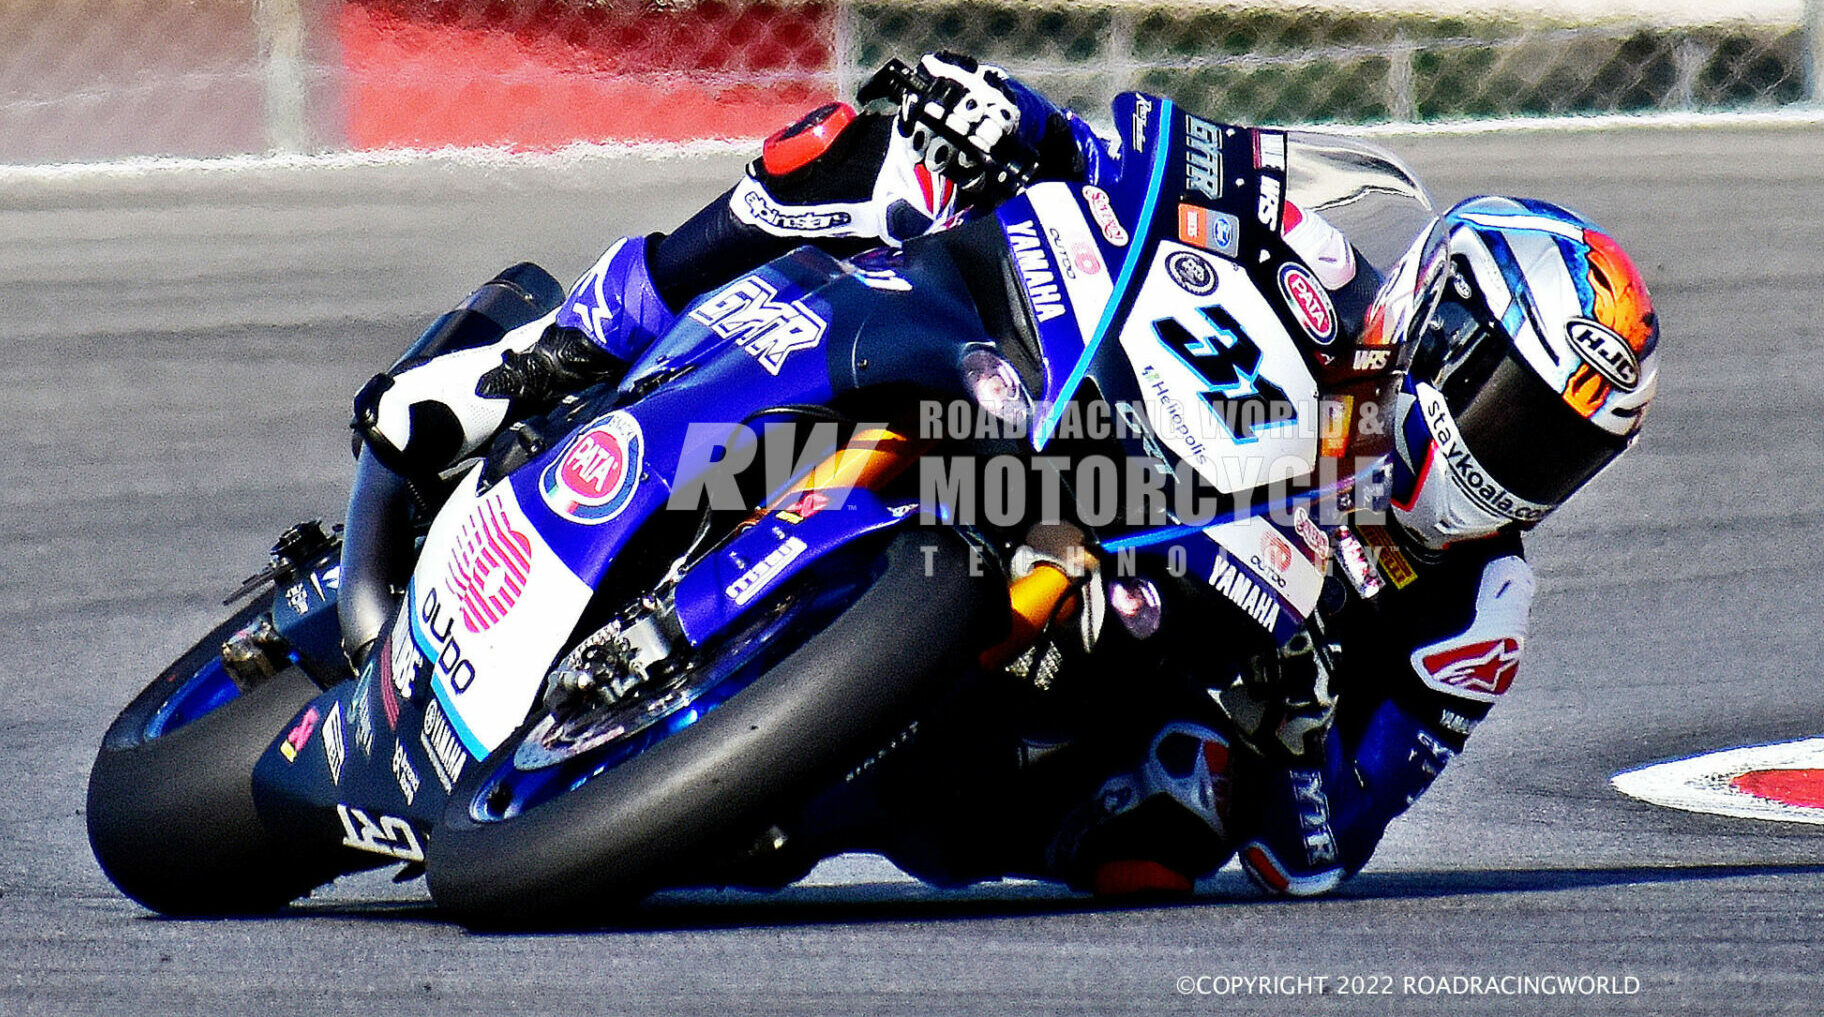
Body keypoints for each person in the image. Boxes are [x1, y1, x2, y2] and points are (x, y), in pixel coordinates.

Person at [352, 53, 1660, 898]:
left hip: (1123, 662)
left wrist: (1292, 735)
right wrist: (1022, 124)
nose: (1514, 470)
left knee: (1166, 834)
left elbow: (1318, 851)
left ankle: (769, 762)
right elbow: (1138, 156)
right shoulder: (1315, 254)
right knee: (873, 156)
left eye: (1561, 452)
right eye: (1513, 413)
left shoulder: (1473, 614)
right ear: (1442, 326)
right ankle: (573, 335)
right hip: (1033, 403)